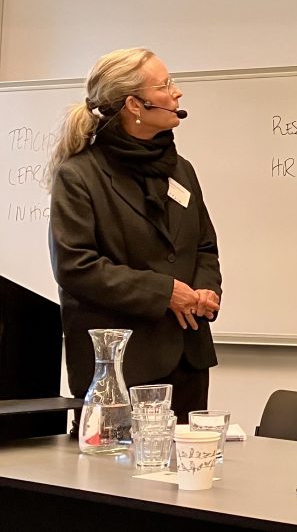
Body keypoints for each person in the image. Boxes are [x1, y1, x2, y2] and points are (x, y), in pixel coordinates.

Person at [47, 48, 222, 424]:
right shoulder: (80, 176)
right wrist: (164, 293)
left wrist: (206, 289)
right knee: (115, 481)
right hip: (119, 369)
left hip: (186, 357)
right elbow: (76, 266)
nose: (177, 94)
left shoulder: (181, 170)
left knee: (185, 477)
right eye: (165, 85)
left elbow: (204, 246)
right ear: (134, 104)